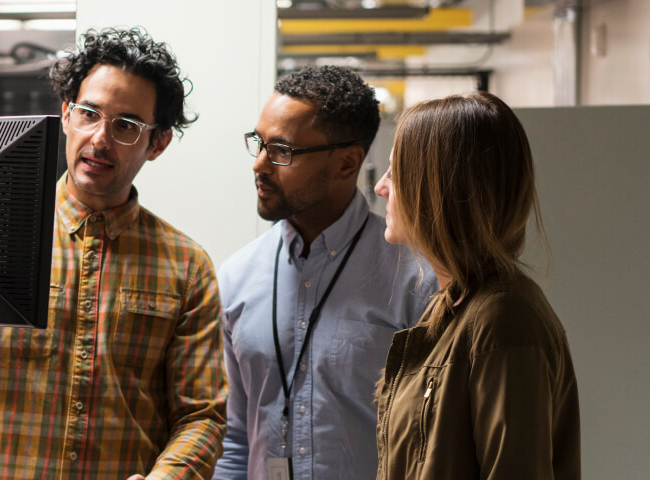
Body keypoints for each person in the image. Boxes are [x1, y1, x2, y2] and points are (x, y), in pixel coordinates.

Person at [0, 27, 226, 479]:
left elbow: (202, 414)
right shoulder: (0, 234)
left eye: (126, 126)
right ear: (66, 114)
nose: (100, 138)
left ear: (158, 143)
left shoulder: (186, 266)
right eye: (89, 113)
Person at [214, 66, 436, 480]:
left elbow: (432, 441)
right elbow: (236, 440)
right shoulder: (236, 278)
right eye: (258, 144)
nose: (259, 165)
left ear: (347, 163)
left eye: (281, 150)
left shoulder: (414, 280)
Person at [371, 91, 579, 479]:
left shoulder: (502, 319)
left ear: (435, 190)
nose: (382, 187)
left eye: (395, 173)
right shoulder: (455, 307)